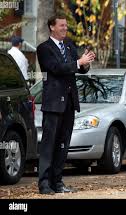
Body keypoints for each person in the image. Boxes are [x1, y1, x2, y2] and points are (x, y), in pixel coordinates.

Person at [36, 14, 95, 195]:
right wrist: (79, 62)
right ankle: (44, 184)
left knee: (63, 144)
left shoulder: (69, 45)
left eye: (66, 26)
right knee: (49, 145)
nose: (65, 28)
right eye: (61, 25)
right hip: (53, 103)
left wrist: (85, 63)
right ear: (52, 27)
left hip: (69, 103)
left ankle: (58, 183)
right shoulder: (44, 48)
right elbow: (56, 68)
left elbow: (78, 68)